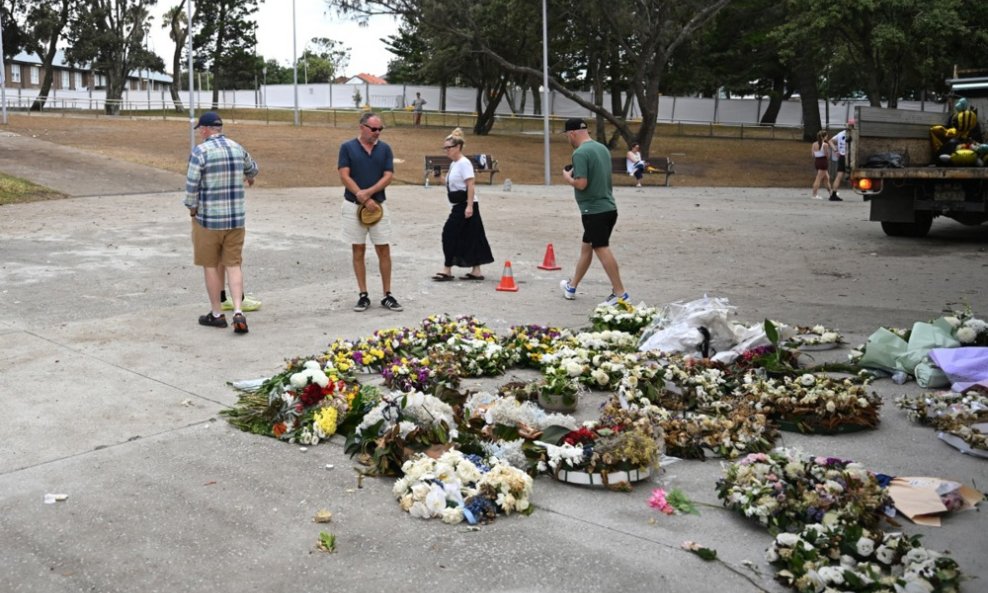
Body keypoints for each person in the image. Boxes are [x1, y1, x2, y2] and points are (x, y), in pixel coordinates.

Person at [184, 111, 259, 334]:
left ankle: (217, 314)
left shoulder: (200, 152)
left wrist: (192, 209)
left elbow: (191, 187)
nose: (199, 133)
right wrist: (249, 177)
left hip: (208, 220)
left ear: (206, 129)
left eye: (200, 129)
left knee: (210, 265)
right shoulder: (237, 148)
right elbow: (253, 169)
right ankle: (238, 311)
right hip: (236, 219)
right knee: (233, 264)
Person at [559, 118, 629, 306]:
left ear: (572, 133)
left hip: (594, 210)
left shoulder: (580, 153)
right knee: (587, 248)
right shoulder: (602, 148)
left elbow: (582, 183)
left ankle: (620, 293)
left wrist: (568, 178)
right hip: (609, 208)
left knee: (601, 247)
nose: (568, 139)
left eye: (567, 135)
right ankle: (572, 286)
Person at [338, 111, 402, 312]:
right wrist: (361, 196)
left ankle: (387, 294)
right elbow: (344, 174)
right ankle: (363, 294)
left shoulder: (384, 149)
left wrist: (369, 194)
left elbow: (388, 175)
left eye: (380, 129)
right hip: (353, 206)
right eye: (374, 129)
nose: (377, 133)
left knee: (383, 248)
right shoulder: (347, 147)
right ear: (362, 127)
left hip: (378, 206)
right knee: (358, 249)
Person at [432, 128, 494, 282]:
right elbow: (449, 183)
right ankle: (476, 271)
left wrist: (469, 206)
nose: (446, 150)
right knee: (472, 235)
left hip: (465, 204)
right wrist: (439, 177)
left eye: (448, 147)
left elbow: (470, 184)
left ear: (458, 147)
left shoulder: (464, 163)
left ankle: (447, 269)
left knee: (449, 233)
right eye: (444, 148)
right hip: (459, 204)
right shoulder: (454, 164)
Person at [828, 120, 853, 201]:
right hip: (851, 157)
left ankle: (833, 194)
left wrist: (835, 150)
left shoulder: (840, 133)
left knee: (839, 176)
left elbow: (830, 141)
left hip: (842, 156)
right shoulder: (854, 134)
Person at [810, 130, 832, 200]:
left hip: (817, 161)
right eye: (826, 136)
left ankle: (831, 193)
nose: (827, 137)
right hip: (823, 162)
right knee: (818, 178)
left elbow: (813, 155)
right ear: (824, 137)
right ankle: (814, 194)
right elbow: (827, 156)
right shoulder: (825, 145)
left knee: (826, 178)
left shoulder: (814, 144)